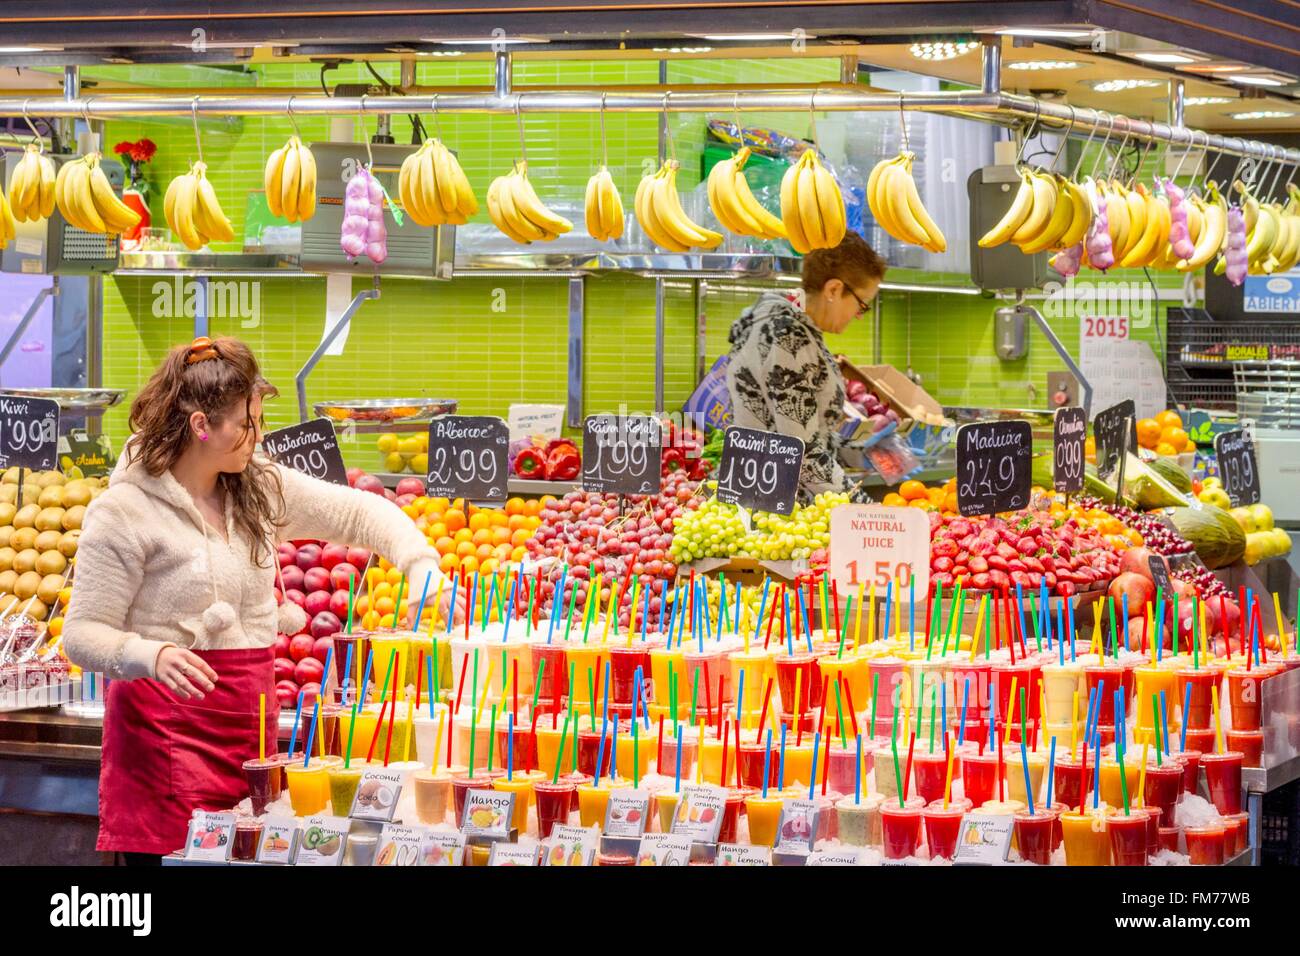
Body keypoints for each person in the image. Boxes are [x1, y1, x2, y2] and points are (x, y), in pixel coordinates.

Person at [63, 336, 454, 863]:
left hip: (252, 736)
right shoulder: (125, 512)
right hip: (161, 746)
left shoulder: (255, 486)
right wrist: (148, 655)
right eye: (248, 423)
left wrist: (419, 562)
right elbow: (83, 633)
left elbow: (360, 513)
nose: (257, 435)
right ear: (202, 425)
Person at [725, 232, 886, 502]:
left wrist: (868, 452)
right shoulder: (787, 336)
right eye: (861, 305)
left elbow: (808, 431)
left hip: (777, 501)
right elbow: (800, 452)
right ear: (834, 289)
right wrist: (868, 512)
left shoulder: (798, 329)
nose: (858, 316)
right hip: (775, 511)